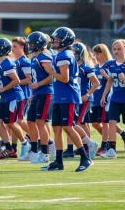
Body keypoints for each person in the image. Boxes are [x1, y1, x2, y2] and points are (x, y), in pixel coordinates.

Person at [42, 27, 93, 172]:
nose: (55, 41)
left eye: (58, 40)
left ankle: (85, 157)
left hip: (68, 95)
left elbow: (65, 78)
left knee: (68, 127)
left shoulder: (64, 55)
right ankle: (58, 162)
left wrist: (51, 71)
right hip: (61, 95)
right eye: (55, 39)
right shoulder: (62, 54)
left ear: (65, 41)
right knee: (57, 128)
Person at [0, 38, 31, 159]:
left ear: (3, 50)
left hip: (14, 97)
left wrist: (3, 89)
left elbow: (16, 80)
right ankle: (9, 149)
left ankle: (25, 143)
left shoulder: (8, 63)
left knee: (11, 123)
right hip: (5, 97)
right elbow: (3, 80)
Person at [19, 32, 54, 163]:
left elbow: (52, 76)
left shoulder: (45, 58)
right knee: (30, 121)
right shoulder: (34, 57)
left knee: (41, 122)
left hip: (45, 93)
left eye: (32, 44)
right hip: (37, 93)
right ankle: (34, 151)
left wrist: (38, 84)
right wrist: (32, 93)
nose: (30, 46)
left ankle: (45, 153)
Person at [92, 43, 125, 156]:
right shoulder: (96, 67)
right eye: (94, 54)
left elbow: (112, 80)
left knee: (106, 122)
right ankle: (123, 133)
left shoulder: (109, 66)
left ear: (104, 53)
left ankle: (105, 145)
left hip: (108, 98)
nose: (96, 56)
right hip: (96, 98)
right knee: (95, 123)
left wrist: (105, 75)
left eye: (98, 54)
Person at [63, 42, 100, 159]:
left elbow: (96, 83)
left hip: (84, 99)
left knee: (77, 123)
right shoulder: (71, 67)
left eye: (76, 53)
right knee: (77, 123)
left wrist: (87, 95)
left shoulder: (86, 67)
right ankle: (73, 147)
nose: (74, 55)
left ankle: (87, 147)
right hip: (74, 98)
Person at [11, 37, 31, 157]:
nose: (12, 49)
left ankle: (40, 139)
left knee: (18, 121)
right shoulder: (14, 61)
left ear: (22, 47)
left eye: (15, 47)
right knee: (12, 122)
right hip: (14, 95)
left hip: (23, 95)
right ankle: (13, 148)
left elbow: (29, 79)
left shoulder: (24, 61)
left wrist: (15, 82)